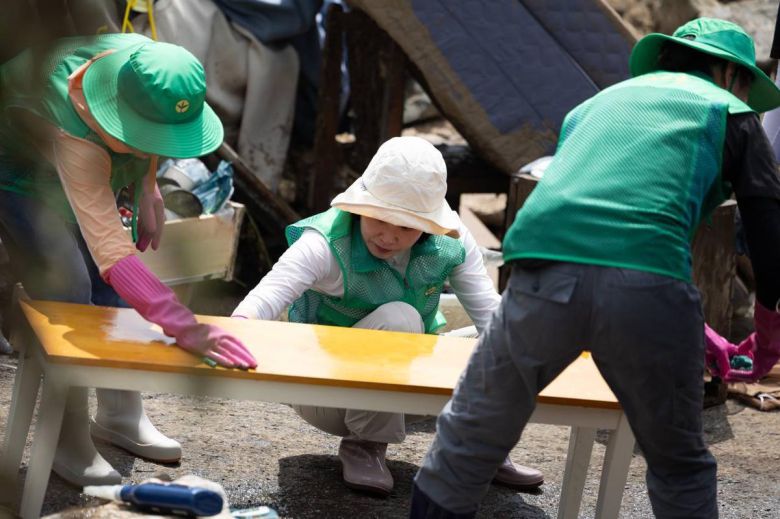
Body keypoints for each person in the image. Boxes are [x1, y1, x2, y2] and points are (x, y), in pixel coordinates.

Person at [410, 18, 780, 518]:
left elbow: (595, 238)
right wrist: (768, 328)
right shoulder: (730, 112)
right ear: (729, 74)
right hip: (648, 289)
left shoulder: (591, 108)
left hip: (539, 277)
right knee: (679, 463)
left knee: (467, 440)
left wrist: (696, 332)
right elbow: (767, 228)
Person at [0, 33, 257, 487]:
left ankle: (120, 412)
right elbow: (110, 249)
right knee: (69, 292)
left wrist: (148, 186)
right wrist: (182, 323)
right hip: (17, 166)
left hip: (89, 150)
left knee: (112, 292)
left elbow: (150, 126)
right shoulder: (74, 130)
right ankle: (65, 434)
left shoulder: (146, 64)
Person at [232, 136, 543, 496]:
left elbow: (490, 316)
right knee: (400, 318)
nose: (389, 236)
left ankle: (483, 449)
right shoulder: (325, 244)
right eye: (380, 218)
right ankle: (363, 445)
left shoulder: (451, 241)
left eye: (407, 227)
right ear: (362, 206)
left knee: (502, 338)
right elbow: (262, 301)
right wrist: (227, 338)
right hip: (325, 392)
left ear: (428, 225)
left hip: (402, 387)